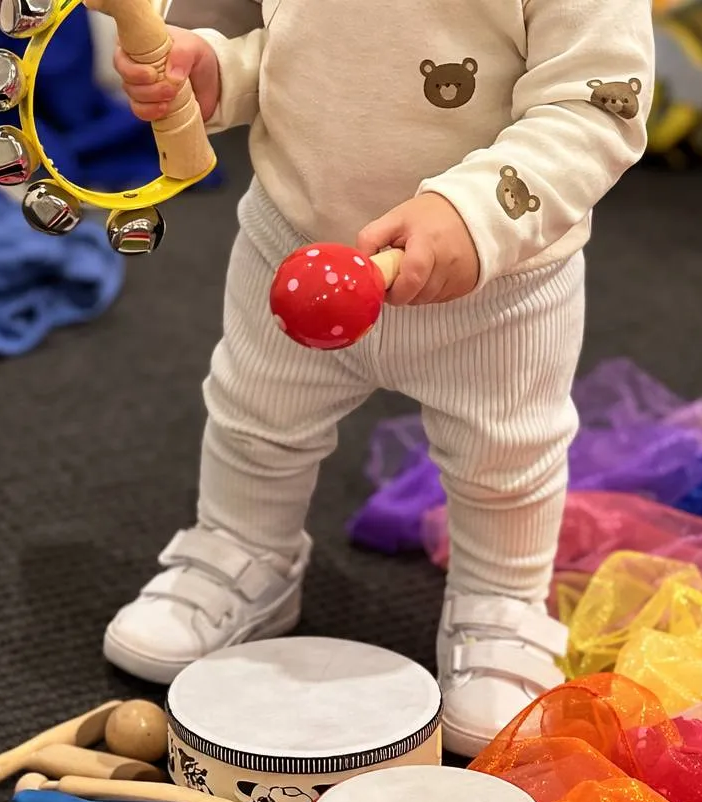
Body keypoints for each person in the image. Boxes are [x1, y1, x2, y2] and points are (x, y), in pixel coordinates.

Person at [104, 0, 654, 756]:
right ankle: (242, 550)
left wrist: (471, 212)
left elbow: (598, 105)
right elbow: (300, 47)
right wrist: (219, 71)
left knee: (506, 459)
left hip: (500, 279)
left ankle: (501, 600)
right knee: (254, 414)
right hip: (298, 228)